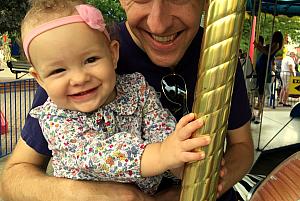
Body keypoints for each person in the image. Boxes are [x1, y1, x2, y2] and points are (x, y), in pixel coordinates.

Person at [1, 0, 254, 200]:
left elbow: (164, 127)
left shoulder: (134, 85)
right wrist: (90, 194)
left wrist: (189, 172)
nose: (158, 23)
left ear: (113, 54)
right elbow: (93, 154)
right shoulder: (63, 92)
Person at [254, 31, 283, 123]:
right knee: (259, 86)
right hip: (261, 64)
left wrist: (258, 46)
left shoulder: (276, 44)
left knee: (261, 88)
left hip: (264, 66)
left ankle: (259, 112)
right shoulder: (273, 44)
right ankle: (257, 108)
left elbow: (267, 52)